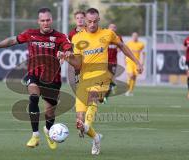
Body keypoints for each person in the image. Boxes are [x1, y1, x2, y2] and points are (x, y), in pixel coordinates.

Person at [0, 8, 72, 149]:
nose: (45, 23)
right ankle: (35, 135)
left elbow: (69, 47)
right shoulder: (30, 34)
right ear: (38, 21)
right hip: (34, 74)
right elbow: (12, 40)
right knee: (34, 97)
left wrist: (66, 53)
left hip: (52, 78)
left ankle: (49, 131)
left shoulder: (60, 36)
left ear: (51, 20)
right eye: (42, 20)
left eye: (48, 20)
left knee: (50, 112)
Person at [59, 8, 143, 155]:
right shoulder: (77, 38)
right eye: (89, 21)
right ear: (85, 21)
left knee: (93, 97)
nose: (92, 24)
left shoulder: (107, 33)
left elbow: (122, 46)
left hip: (102, 76)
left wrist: (137, 62)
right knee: (79, 122)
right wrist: (67, 57)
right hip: (84, 79)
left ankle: (87, 126)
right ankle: (96, 138)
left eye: (95, 21)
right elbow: (78, 64)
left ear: (99, 20)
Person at [103, 23, 123, 103]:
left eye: (114, 27)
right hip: (104, 61)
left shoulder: (118, 38)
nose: (112, 28)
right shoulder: (104, 37)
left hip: (113, 62)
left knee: (109, 79)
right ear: (108, 28)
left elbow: (121, 47)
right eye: (111, 27)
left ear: (116, 29)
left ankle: (105, 97)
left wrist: (118, 48)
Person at [125, 32, 145, 96]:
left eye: (136, 36)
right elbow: (125, 52)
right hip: (129, 61)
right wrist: (124, 60)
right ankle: (127, 89)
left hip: (136, 63)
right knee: (130, 75)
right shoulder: (128, 43)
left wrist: (142, 62)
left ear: (138, 36)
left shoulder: (141, 44)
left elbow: (144, 53)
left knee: (134, 77)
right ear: (132, 36)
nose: (135, 37)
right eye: (134, 36)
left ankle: (130, 91)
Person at [68, 11, 86, 84]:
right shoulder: (72, 34)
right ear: (75, 20)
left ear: (85, 19)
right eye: (77, 18)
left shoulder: (90, 31)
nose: (80, 20)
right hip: (77, 64)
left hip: (89, 62)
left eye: (82, 18)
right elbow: (69, 47)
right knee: (79, 86)